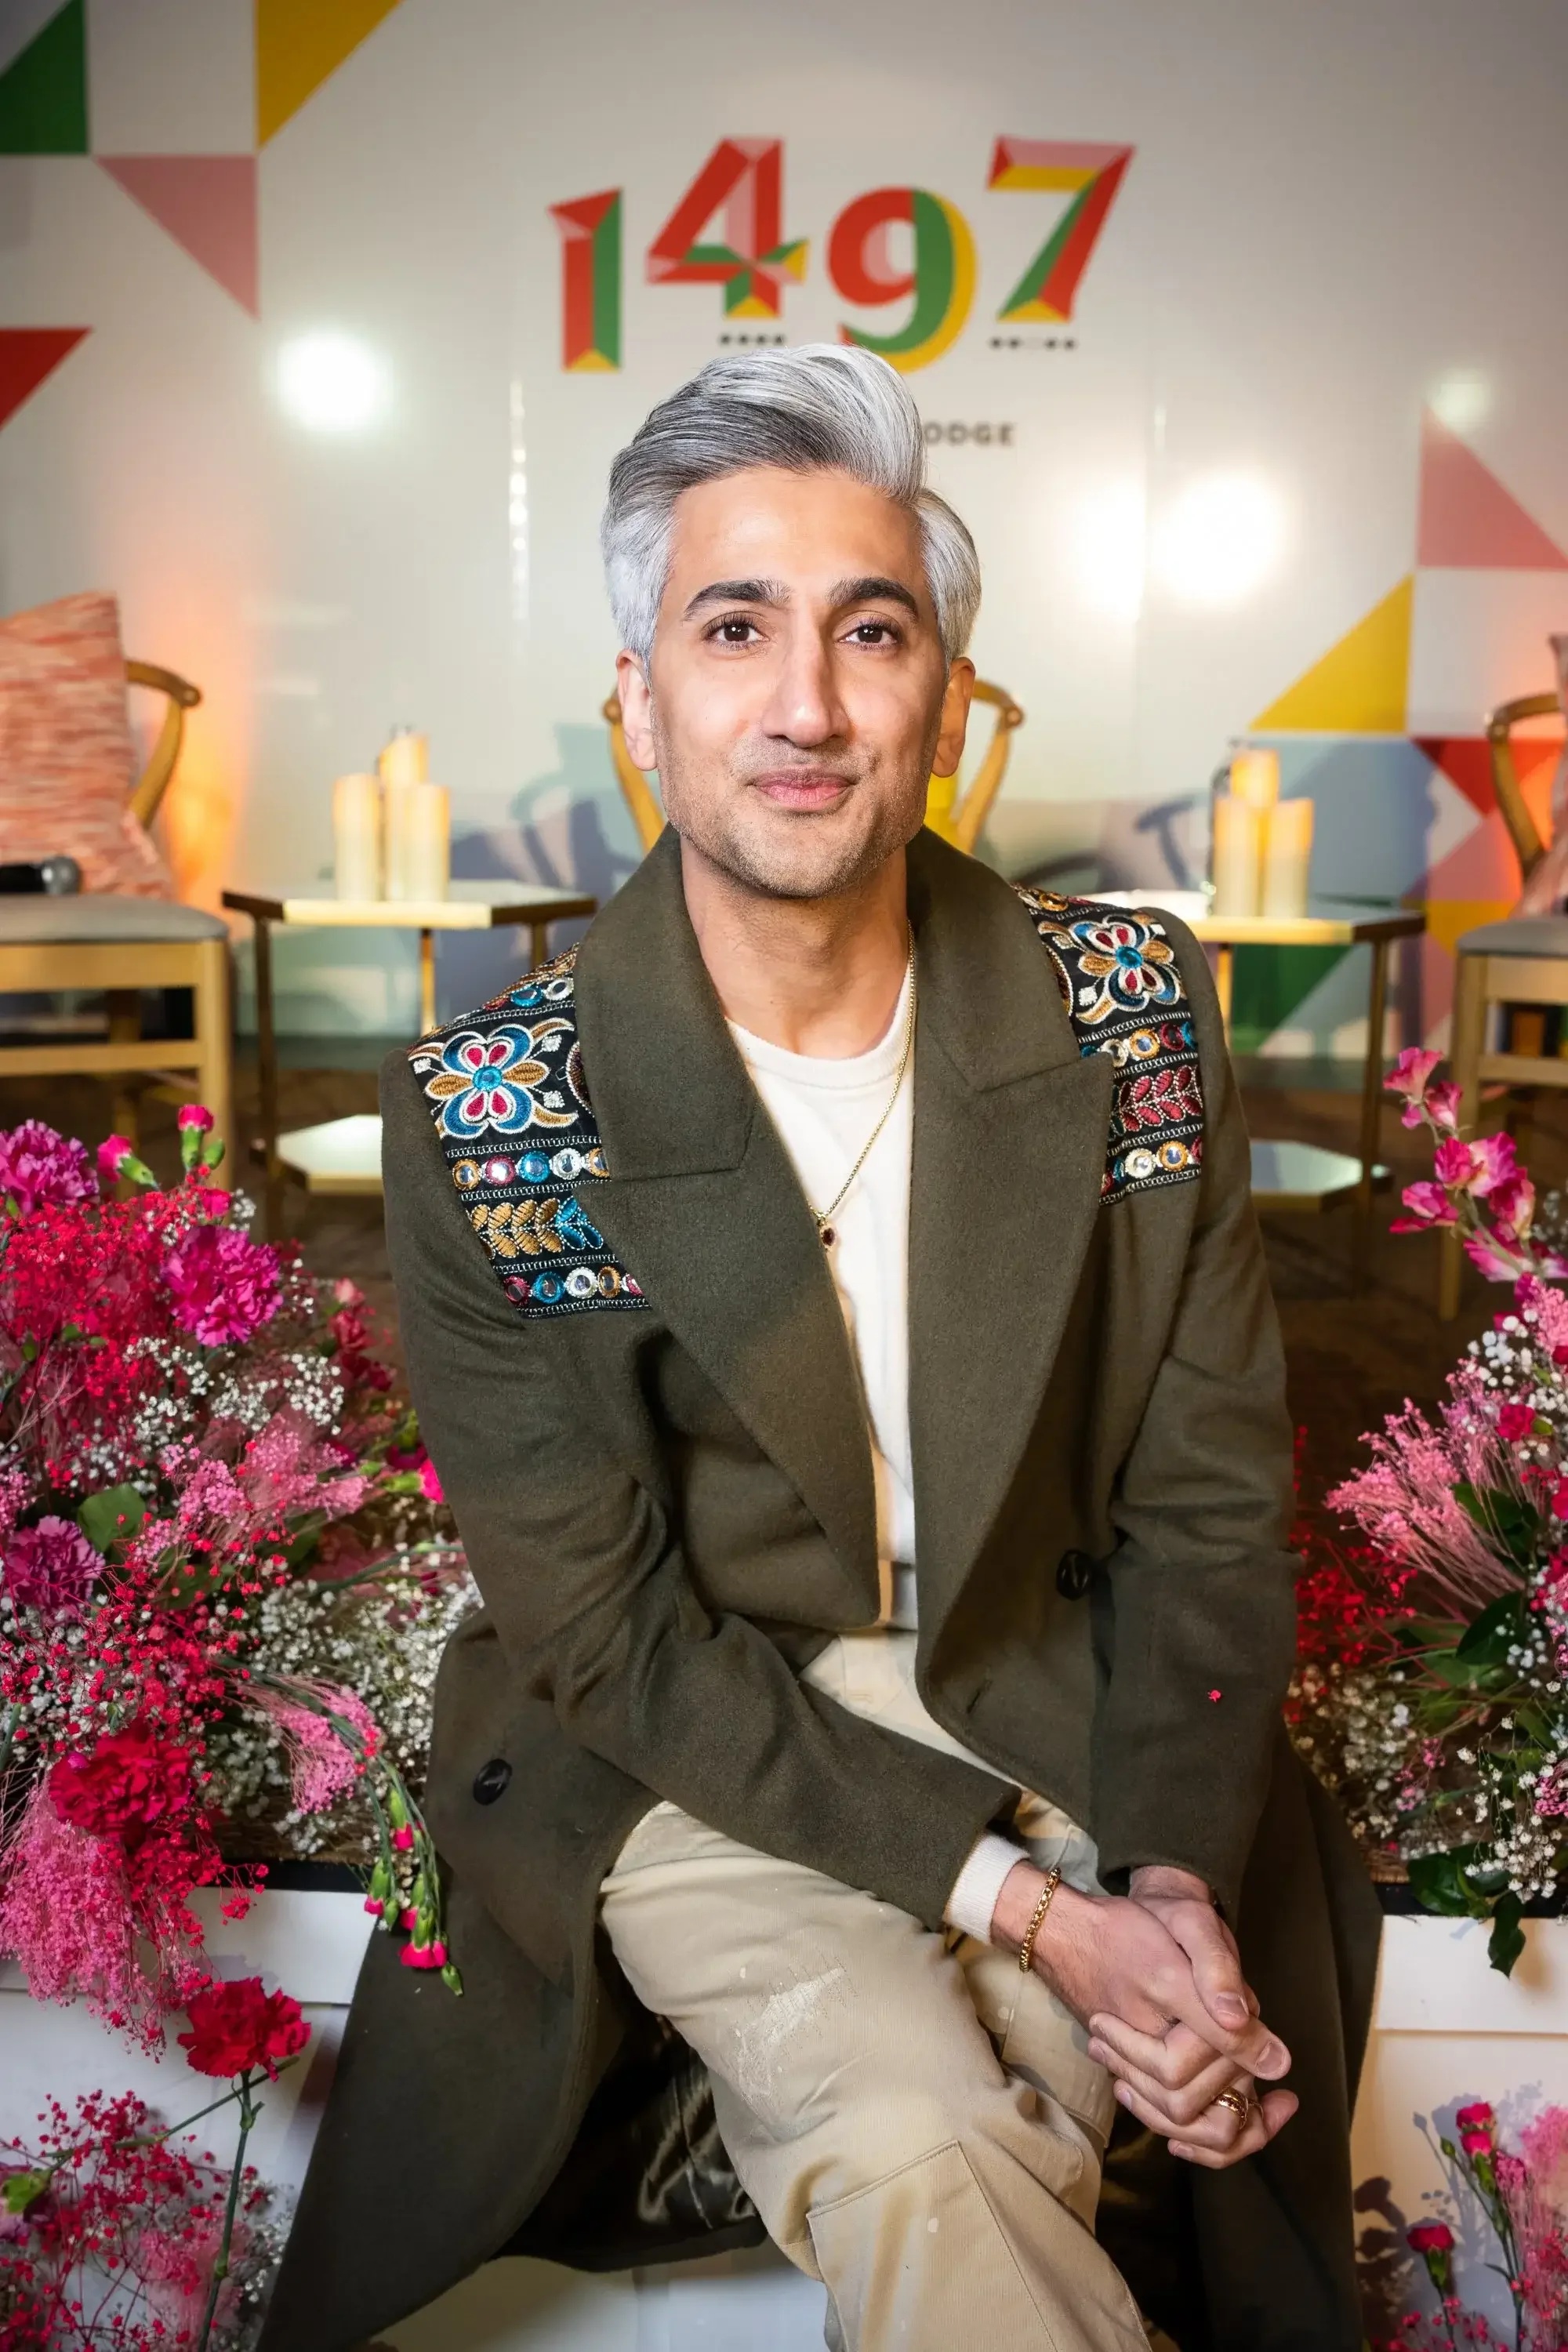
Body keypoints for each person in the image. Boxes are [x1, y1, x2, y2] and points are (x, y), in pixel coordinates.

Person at [260, 345, 1381, 2352]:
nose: (806, 704)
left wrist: (1171, 1895)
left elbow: (1206, 1499)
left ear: (943, 694)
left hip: (1045, 1690)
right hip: (695, 1740)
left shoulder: (1126, 1011)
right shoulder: (496, 1115)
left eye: (872, 630)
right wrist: (1033, 1912)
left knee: (1087, 2078)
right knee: (923, 2133)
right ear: (637, 701)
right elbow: (607, 1636)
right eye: (734, 628)